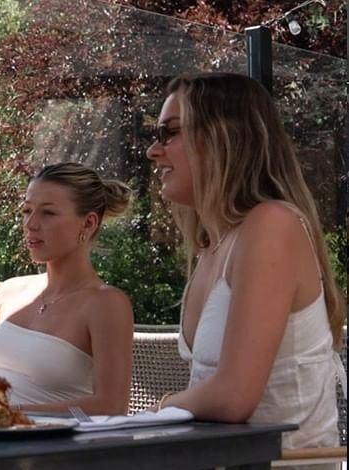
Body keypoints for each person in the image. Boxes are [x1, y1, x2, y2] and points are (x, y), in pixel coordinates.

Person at [149, 72, 345, 459]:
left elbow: (234, 397)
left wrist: (160, 408)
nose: (153, 150)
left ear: (223, 136)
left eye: (169, 132)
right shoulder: (213, 248)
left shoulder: (272, 224)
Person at [0, 162, 134, 415]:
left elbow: (111, 406)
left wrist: (9, 414)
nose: (30, 224)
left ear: (88, 224)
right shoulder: (9, 292)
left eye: (48, 213)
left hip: (53, 447)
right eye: (26, 211)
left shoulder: (106, 304)